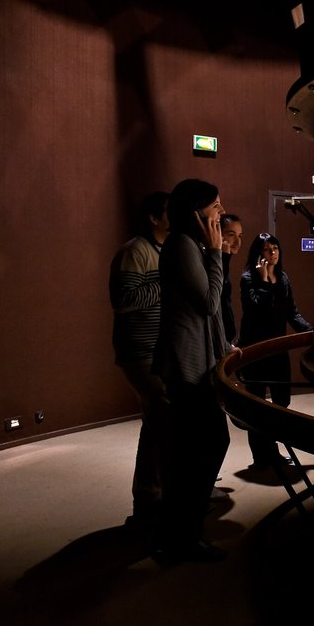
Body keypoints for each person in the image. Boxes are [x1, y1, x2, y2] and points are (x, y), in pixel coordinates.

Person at [152, 178, 233, 563]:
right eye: (215, 206)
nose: (220, 212)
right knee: (204, 446)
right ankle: (182, 535)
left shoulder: (190, 245)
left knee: (199, 448)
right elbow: (208, 304)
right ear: (196, 213)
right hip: (186, 367)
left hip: (196, 364)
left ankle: (182, 532)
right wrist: (217, 254)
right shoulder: (182, 246)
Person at [109, 191, 171, 532]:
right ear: (153, 217)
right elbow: (124, 299)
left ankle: (150, 496)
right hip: (139, 353)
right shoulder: (135, 251)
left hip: (155, 352)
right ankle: (149, 499)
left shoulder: (161, 250)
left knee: (157, 424)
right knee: (162, 422)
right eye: (170, 211)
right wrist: (167, 283)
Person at [239, 233, 313, 468]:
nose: (273, 253)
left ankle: (272, 449)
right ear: (258, 253)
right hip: (256, 350)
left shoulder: (283, 278)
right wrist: (262, 281)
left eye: (276, 248)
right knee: (256, 403)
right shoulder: (248, 278)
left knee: (282, 400)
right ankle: (262, 456)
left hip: (278, 349)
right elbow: (255, 310)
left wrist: (310, 332)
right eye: (267, 249)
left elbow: (292, 311)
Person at [219, 213, 244, 345]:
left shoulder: (224, 261)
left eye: (240, 236)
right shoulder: (214, 262)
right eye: (231, 235)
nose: (237, 242)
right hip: (216, 339)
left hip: (226, 338)